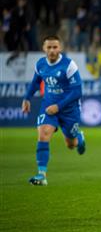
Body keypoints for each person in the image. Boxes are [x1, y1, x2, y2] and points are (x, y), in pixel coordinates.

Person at [21, 35, 86, 186]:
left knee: (70, 144)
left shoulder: (69, 65)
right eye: (49, 47)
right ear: (44, 48)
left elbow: (77, 91)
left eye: (55, 47)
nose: (52, 50)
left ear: (60, 48)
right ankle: (41, 175)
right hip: (48, 106)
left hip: (69, 109)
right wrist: (27, 98)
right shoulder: (41, 64)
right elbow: (35, 83)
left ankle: (79, 139)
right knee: (43, 134)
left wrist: (59, 106)